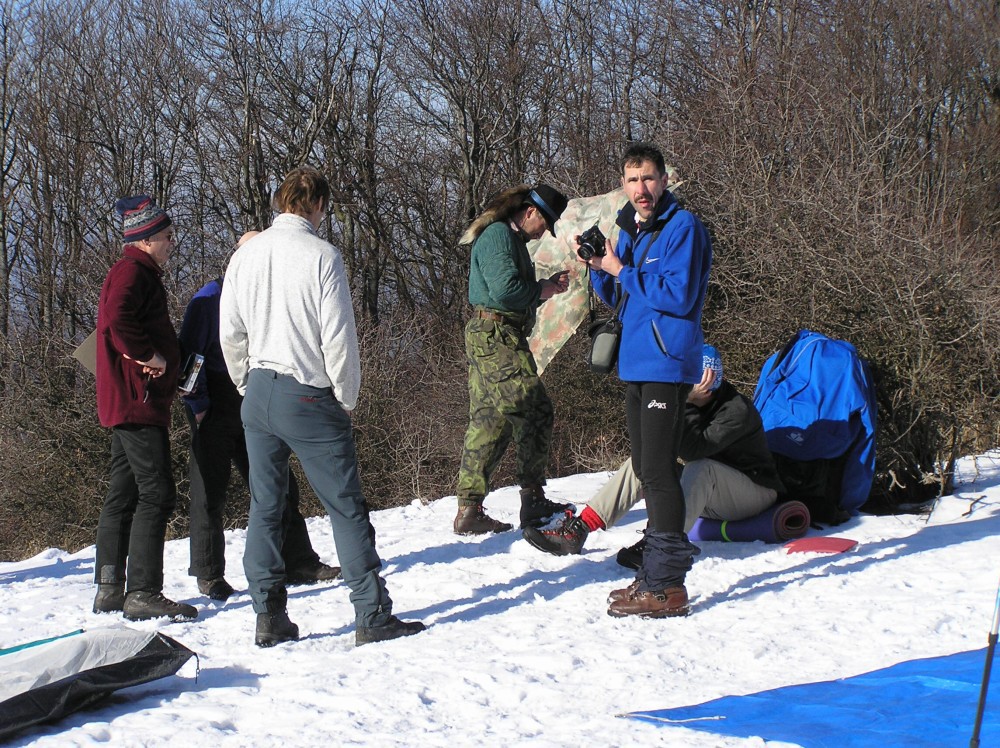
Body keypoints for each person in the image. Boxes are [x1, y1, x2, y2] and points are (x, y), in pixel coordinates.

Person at [219, 167, 424, 647]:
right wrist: (345, 396)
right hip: (307, 393)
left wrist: (245, 382)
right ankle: (371, 613)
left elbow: (230, 330)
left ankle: (268, 615)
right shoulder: (322, 257)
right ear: (318, 206)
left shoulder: (246, 256)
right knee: (345, 507)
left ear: (278, 202)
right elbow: (339, 339)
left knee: (265, 507)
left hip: (259, 391)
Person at [577, 142, 712, 618]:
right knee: (649, 466)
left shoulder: (683, 229)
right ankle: (655, 574)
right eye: (633, 181)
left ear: (665, 180)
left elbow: (677, 295)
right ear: (624, 185)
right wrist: (600, 269)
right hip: (635, 363)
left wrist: (621, 268)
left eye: (649, 179)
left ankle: (666, 586)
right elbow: (622, 294)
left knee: (655, 471)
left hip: (666, 362)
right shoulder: (634, 232)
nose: (641, 189)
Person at [179, 231, 341, 602]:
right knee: (210, 490)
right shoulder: (209, 299)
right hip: (216, 398)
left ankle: (298, 559)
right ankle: (208, 573)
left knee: (277, 480)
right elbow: (190, 359)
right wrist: (200, 405)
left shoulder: (270, 293)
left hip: (258, 392)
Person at [524, 345, 785, 565]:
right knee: (645, 460)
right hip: (713, 491)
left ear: (705, 382)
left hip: (754, 492)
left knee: (702, 467)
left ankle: (661, 543)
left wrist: (683, 403)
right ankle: (579, 530)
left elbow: (692, 450)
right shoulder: (692, 403)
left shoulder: (736, 411)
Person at [92, 195, 198, 622]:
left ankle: (109, 587)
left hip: (127, 400)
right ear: (148, 238)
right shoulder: (134, 271)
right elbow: (119, 318)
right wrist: (149, 357)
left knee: (123, 492)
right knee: (157, 493)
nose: (172, 243)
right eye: (168, 236)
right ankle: (143, 592)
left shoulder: (131, 271)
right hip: (138, 400)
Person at [453, 183, 574, 535]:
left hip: (494, 334)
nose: (543, 234)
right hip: (495, 337)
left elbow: (506, 290)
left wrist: (542, 287)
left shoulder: (509, 240)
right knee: (534, 408)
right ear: (531, 212)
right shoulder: (498, 237)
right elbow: (506, 292)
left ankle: (469, 510)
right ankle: (533, 499)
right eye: (545, 225)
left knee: (491, 421)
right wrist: (542, 289)